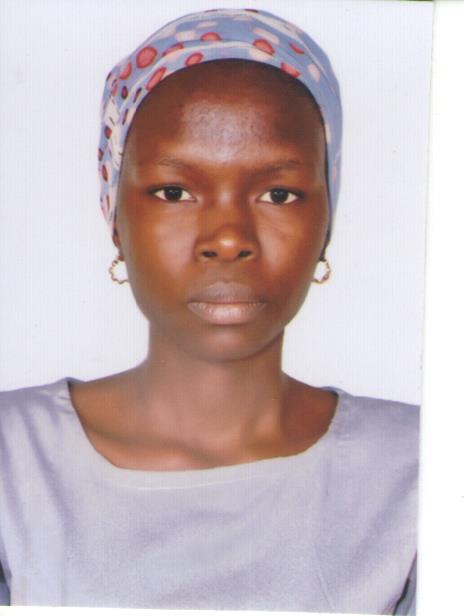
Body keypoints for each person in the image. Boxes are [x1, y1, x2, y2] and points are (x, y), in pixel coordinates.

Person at [0, 8, 418, 613]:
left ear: (327, 218)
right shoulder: (14, 461)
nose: (227, 238)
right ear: (115, 215)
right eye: (174, 192)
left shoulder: (422, 468)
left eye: (278, 193)